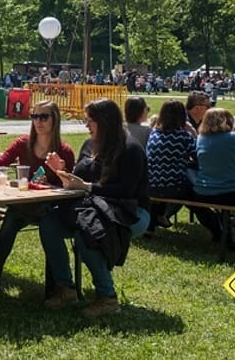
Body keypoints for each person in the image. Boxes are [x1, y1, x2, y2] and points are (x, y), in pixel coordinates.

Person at [39, 99, 150, 317]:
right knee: (49, 224)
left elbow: (126, 190)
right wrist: (62, 171)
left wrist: (88, 187)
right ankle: (65, 287)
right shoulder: (90, 145)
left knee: (88, 232)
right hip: (91, 208)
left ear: (105, 122)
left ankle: (107, 297)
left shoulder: (131, 149)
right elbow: (80, 178)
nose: (86, 126)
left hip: (131, 212)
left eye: (90, 121)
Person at [0, 101, 75, 293]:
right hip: (23, 204)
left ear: (55, 120)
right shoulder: (22, 144)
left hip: (50, 207)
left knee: (49, 228)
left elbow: (70, 186)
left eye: (44, 117)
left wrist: (60, 171)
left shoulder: (64, 151)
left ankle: (53, 289)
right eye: (35, 116)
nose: (38, 121)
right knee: (8, 227)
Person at [145, 100, 221, 240]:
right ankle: (219, 232)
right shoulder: (183, 137)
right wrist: (193, 132)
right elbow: (200, 156)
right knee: (199, 202)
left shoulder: (154, 134)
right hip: (175, 187)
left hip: (151, 185)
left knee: (162, 187)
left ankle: (150, 228)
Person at [191, 107, 235, 250]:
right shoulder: (233, 138)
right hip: (230, 193)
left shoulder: (200, 138)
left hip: (203, 193)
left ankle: (226, 235)